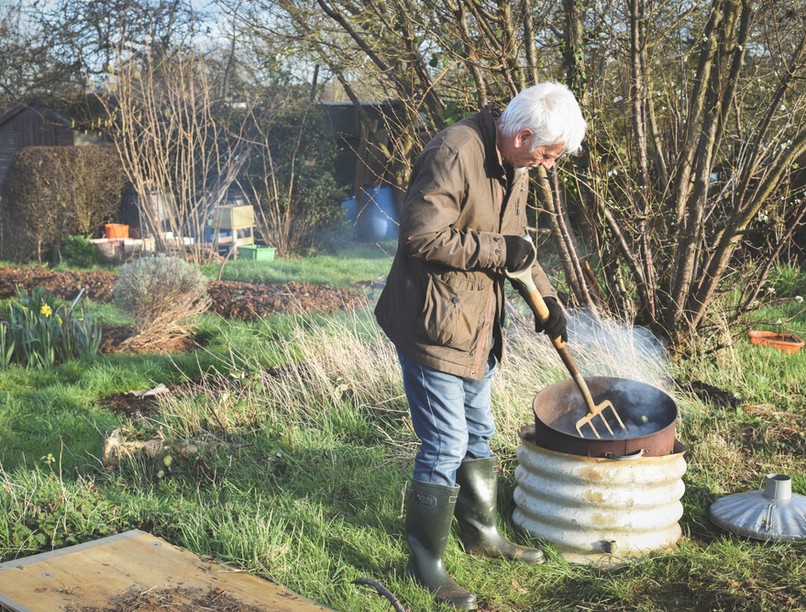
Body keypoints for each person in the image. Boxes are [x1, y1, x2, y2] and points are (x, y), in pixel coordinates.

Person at [374, 82, 587, 610]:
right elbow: (421, 236)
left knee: (479, 433)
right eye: (547, 154)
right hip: (433, 325)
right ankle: (425, 562)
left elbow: (518, 244)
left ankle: (481, 534)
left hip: (477, 326)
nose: (548, 165)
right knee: (445, 444)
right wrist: (499, 250)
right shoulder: (454, 151)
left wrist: (549, 298)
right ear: (522, 134)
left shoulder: (515, 163)